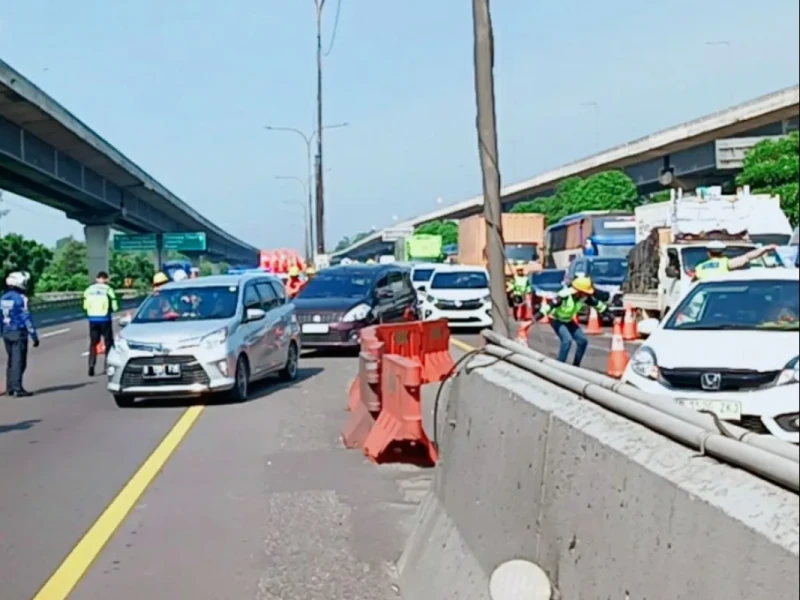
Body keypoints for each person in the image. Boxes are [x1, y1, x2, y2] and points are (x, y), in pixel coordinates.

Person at [540, 276, 607, 367]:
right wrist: (540, 314)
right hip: (556, 319)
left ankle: (576, 366)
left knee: (583, 341)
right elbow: (551, 305)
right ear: (578, 291)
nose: (586, 295)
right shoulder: (564, 296)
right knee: (567, 341)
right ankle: (558, 366)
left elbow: (597, 304)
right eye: (585, 293)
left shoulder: (583, 298)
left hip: (568, 320)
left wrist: (607, 312)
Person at [1, 272, 39, 396]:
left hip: (7, 332)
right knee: (19, 361)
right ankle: (17, 388)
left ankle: (10, 388)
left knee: (11, 361)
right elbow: (26, 317)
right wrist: (34, 335)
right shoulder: (21, 298)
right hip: (18, 331)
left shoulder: (3, 297)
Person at [83, 271, 119, 376]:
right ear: (106, 279)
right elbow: (115, 307)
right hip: (105, 319)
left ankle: (91, 365)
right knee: (108, 343)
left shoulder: (88, 290)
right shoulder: (108, 290)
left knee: (93, 343)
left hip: (93, 320)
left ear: (97, 279)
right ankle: (107, 366)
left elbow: (85, 306)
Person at [694, 241, 778, 281]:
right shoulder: (725, 263)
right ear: (722, 253)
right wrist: (764, 249)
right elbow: (747, 257)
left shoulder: (699, 267)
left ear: (708, 253)